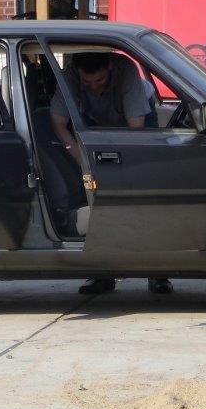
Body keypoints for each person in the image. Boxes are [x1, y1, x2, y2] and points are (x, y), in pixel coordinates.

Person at [50, 51, 172, 296]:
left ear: (109, 68)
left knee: (143, 196)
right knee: (96, 201)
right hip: (94, 124)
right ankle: (102, 273)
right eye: (87, 82)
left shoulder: (125, 70)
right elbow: (58, 123)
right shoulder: (70, 75)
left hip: (136, 122)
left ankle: (157, 271)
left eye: (100, 80)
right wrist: (86, 166)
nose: (94, 87)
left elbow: (135, 131)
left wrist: (121, 173)